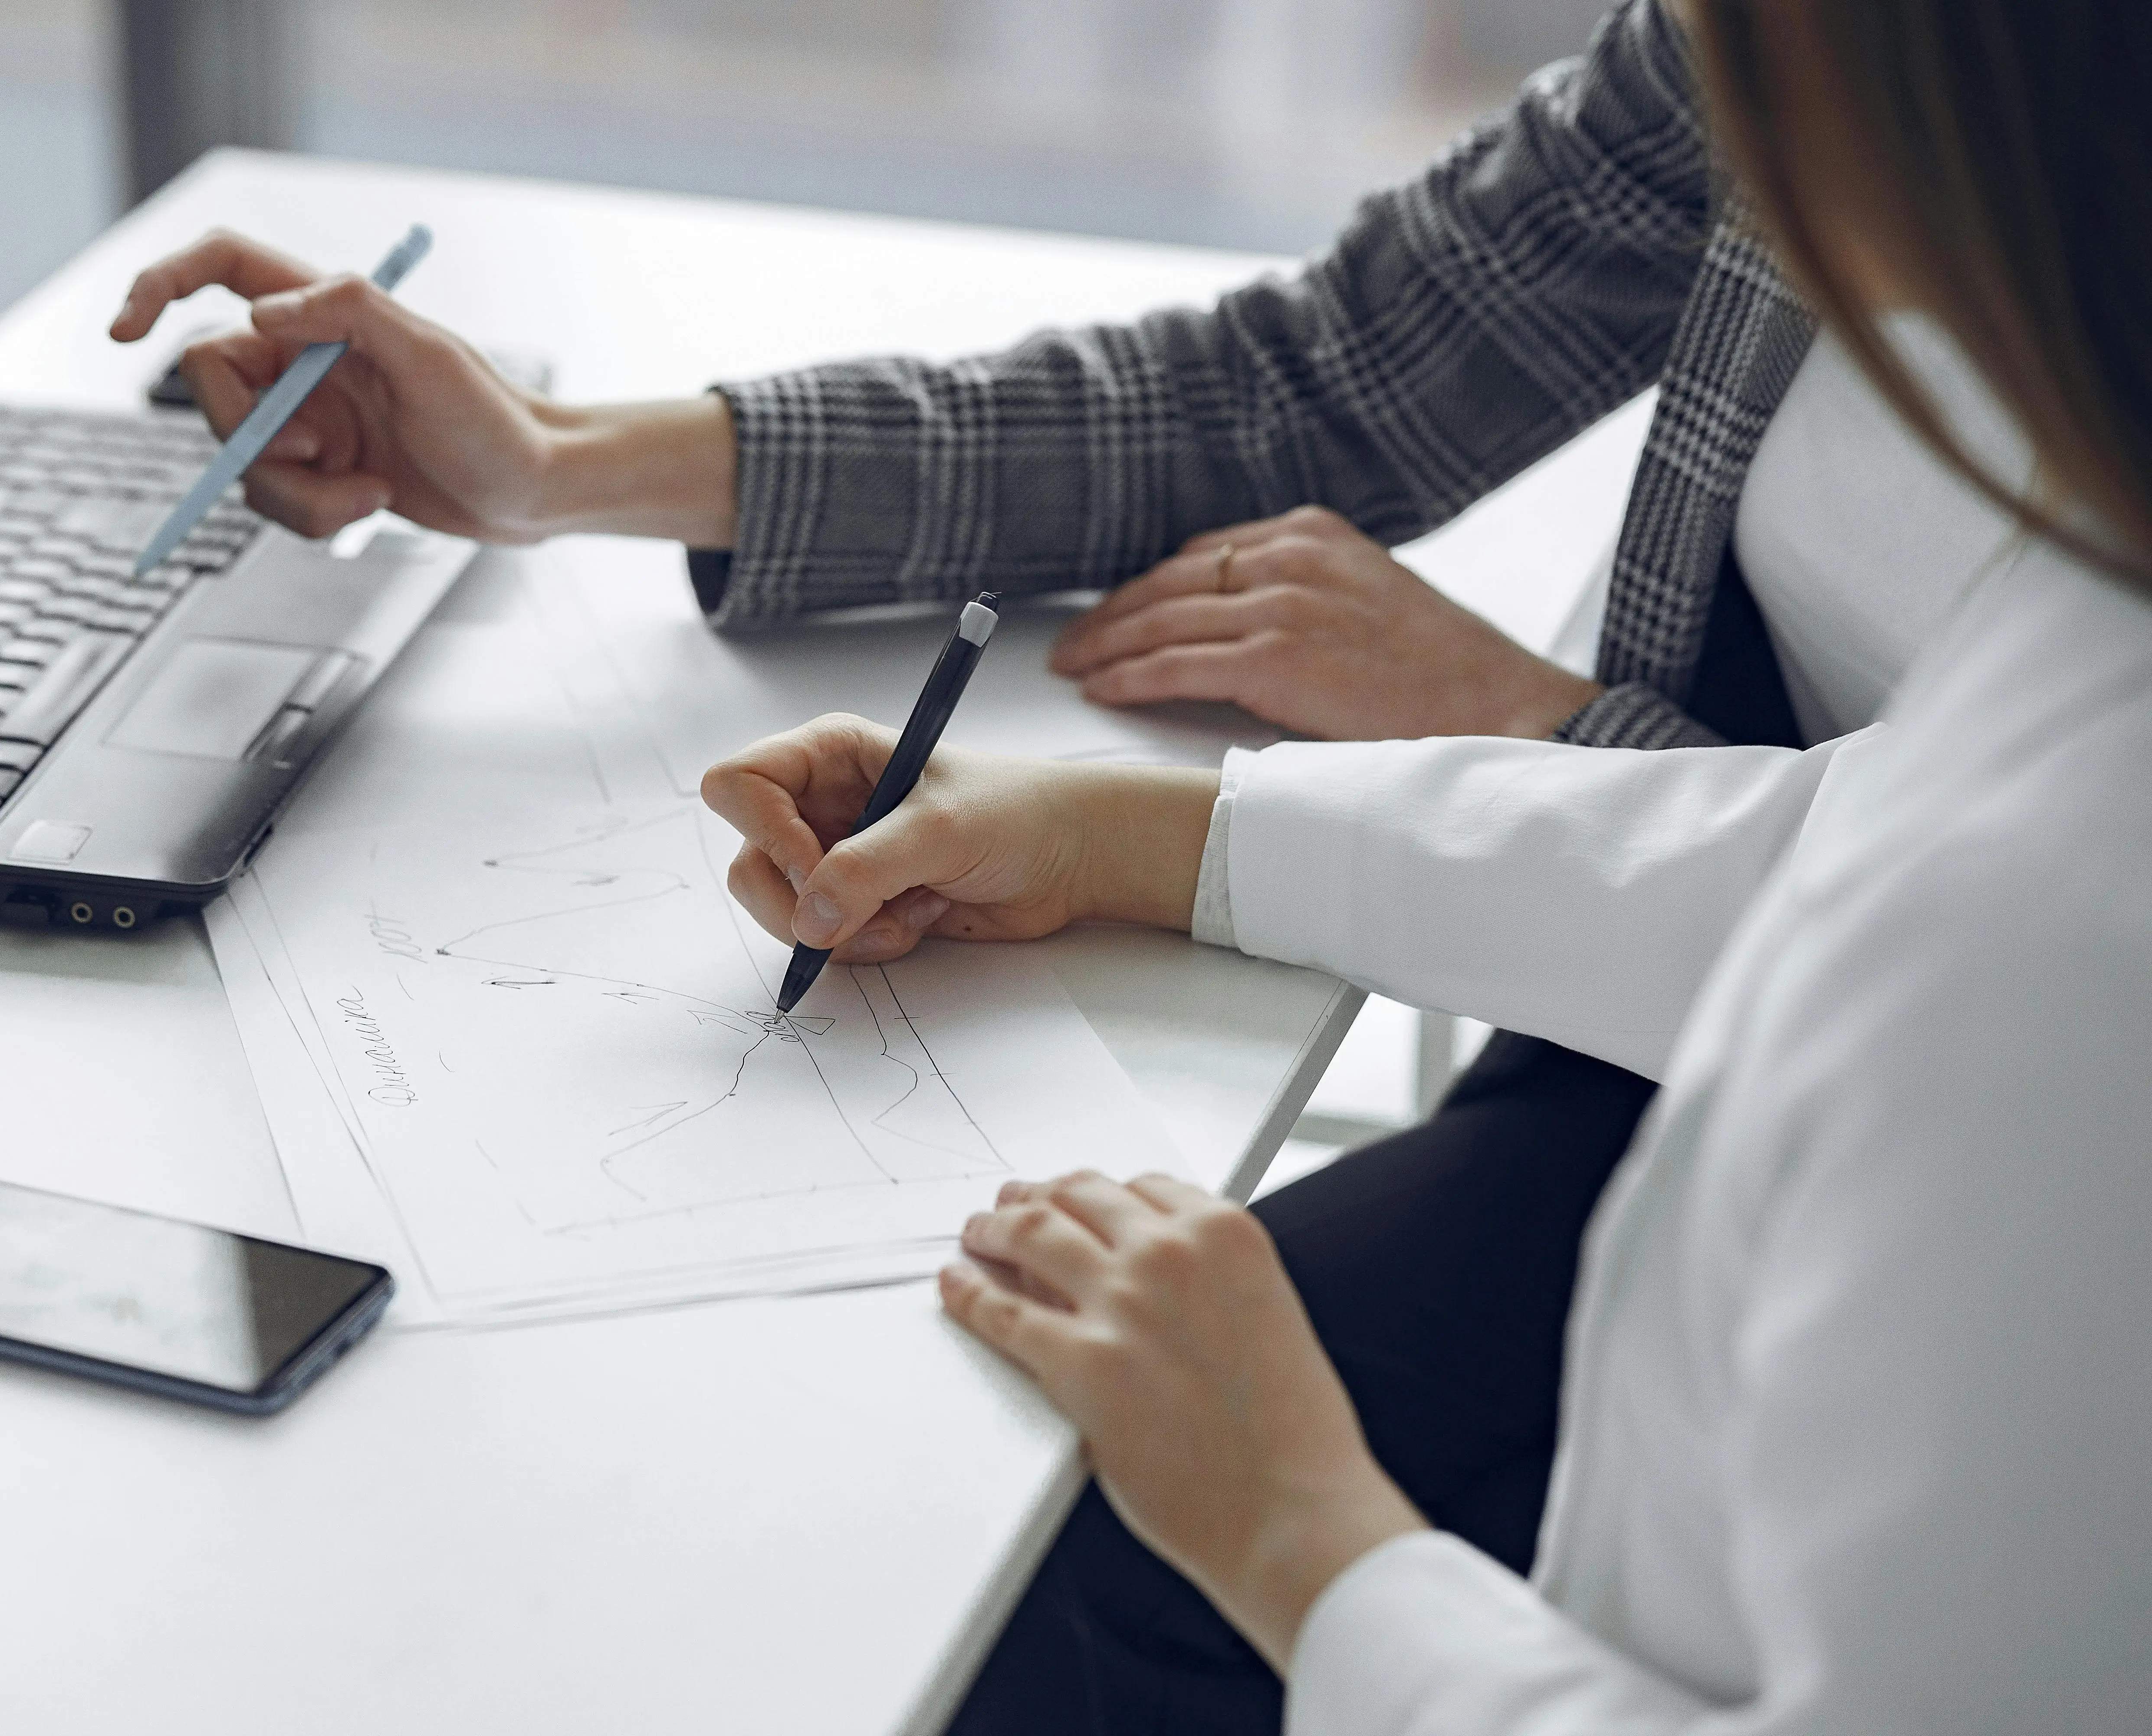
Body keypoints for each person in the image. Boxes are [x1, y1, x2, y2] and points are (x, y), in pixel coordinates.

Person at [99, 0, 2124, 1722]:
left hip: (1800, 1087)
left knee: (1011, 1513)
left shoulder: (2030, 958)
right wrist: (567, 470)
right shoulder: (1834, 94)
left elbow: (1941, 897)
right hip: (1659, 990)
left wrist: (1309, 1548)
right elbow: (1326, 379)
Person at [692, 0, 2152, 1727]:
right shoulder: (2091, 564)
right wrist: (1148, 831)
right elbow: (1836, 852)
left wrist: (1305, 1540)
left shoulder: (2068, 952)